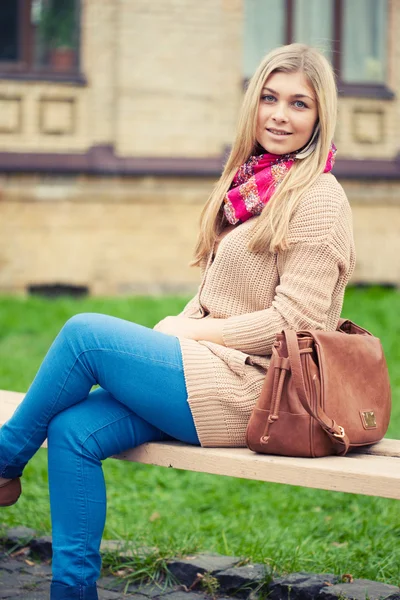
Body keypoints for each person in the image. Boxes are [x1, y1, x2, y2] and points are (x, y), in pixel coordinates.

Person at [0, 43, 355, 600]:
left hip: (256, 391)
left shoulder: (318, 197)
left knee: (85, 333)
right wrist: (182, 321)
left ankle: (2, 462)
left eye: (299, 104)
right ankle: (72, 593)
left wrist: (191, 332)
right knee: (72, 433)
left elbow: (298, 324)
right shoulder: (251, 182)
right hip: (207, 375)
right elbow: (218, 296)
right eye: (269, 98)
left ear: (320, 115)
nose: (280, 115)